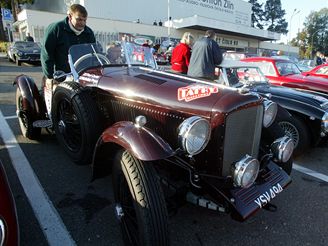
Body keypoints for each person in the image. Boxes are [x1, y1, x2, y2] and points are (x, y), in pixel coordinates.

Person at [41, 4, 95, 80]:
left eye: (84, 20)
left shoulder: (88, 32)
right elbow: (46, 54)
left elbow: (93, 55)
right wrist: (49, 77)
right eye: (79, 19)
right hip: (62, 76)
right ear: (70, 16)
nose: (82, 23)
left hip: (83, 76)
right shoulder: (56, 29)